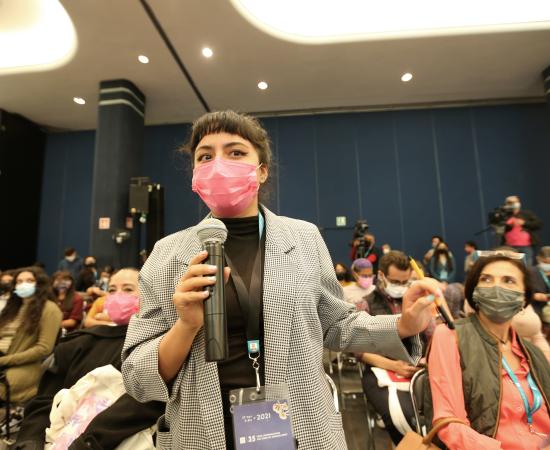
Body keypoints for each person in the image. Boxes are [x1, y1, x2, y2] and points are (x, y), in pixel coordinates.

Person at [121, 110, 439, 450]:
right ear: (195, 175)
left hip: (302, 425)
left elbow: (337, 325)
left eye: (235, 152)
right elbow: (137, 377)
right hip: (200, 433)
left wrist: (403, 325)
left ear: (262, 171)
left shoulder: (304, 238)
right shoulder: (166, 254)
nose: (219, 164)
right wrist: (185, 326)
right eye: (205, 156)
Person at [15, 267, 164, 450]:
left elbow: (145, 406)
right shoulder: (77, 344)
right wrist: (30, 440)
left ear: (149, 295)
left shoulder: (158, 347)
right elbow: (44, 400)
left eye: (128, 289)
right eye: (111, 290)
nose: (118, 296)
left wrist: (86, 442)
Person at [428, 251, 550, 449]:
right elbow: (449, 423)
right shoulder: (451, 336)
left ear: (523, 298)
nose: (496, 287)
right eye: (486, 279)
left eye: (509, 281)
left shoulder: (533, 353)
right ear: (474, 291)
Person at [360, 251, 419, 445]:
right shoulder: (366, 304)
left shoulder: (415, 302)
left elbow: (431, 336)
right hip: (380, 370)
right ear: (381, 276)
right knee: (402, 417)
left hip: (417, 368)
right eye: (395, 282)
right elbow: (359, 351)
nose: (400, 287)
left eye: (405, 282)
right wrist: (394, 366)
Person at [0, 267, 62, 403]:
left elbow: (43, 349)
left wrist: (4, 361)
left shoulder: (50, 309)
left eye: (29, 280)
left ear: (39, 284)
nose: (24, 284)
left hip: (25, 366)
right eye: (19, 281)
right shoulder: (13, 307)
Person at [503, 195, 542, 265]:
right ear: (506, 204)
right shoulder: (504, 215)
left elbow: (538, 224)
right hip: (509, 247)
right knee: (512, 265)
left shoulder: (527, 213)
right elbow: (498, 228)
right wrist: (507, 224)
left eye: (515, 202)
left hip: (526, 246)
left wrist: (524, 223)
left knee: (527, 266)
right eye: (510, 202)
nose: (513, 204)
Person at [531, 246, 550, 323]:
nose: (548, 265)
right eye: (545, 262)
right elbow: (524, 292)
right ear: (538, 259)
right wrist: (533, 296)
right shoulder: (531, 272)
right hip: (537, 308)